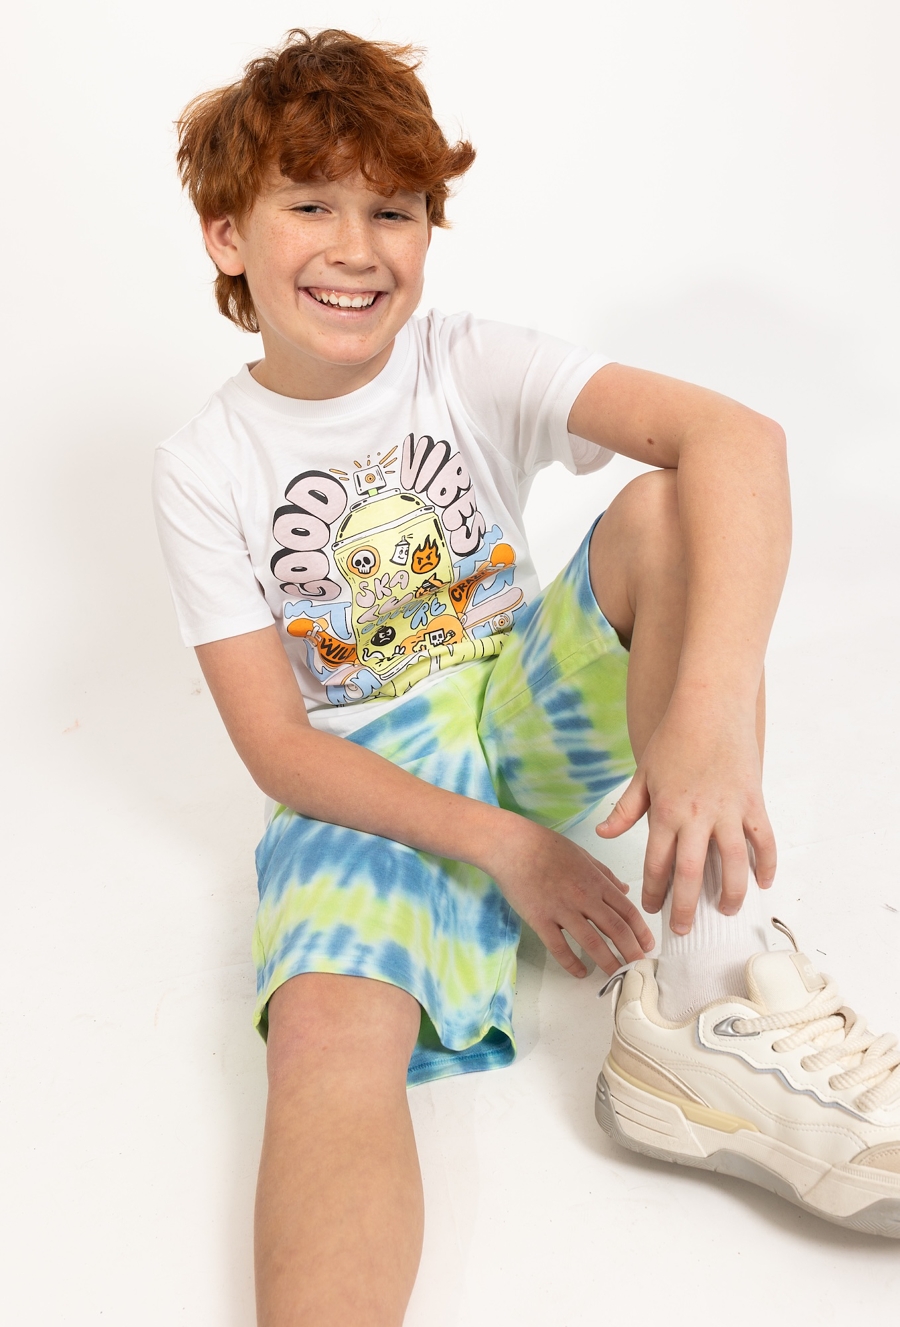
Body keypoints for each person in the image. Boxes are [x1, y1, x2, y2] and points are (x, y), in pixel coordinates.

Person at [153, 26, 900, 1326]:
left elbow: (741, 439)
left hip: (520, 705)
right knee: (325, 1039)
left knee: (669, 509)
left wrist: (708, 721)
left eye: (393, 209)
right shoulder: (206, 463)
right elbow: (279, 749)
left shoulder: (466, 359)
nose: (356, 245)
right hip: (367, 778)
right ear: (228, 236)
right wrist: (510, 848)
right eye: (310, 205)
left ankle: (705, 1004)